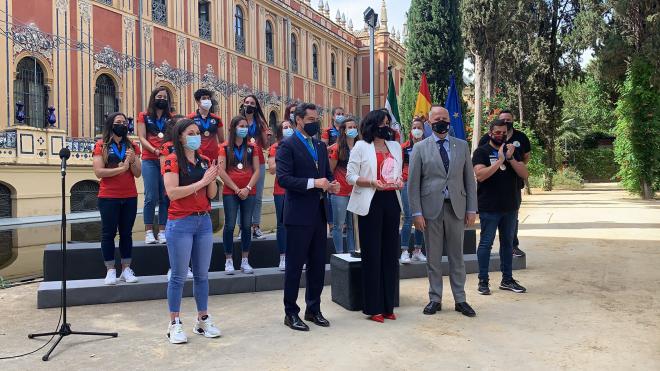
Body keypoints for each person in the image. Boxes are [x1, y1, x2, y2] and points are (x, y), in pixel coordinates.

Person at [408, 105, 478, 317]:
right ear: (429, 122)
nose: (442, 122)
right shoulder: (420, 148)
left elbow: (469, 180)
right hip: (431, 211)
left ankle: (461, 299)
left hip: (456, 208)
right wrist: (416, 213)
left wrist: (472, 209)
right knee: (434, 258)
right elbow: (413, 184)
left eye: (445, 118)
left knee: (457, 257)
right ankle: (435, 298)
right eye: (437, 118)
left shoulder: (461, 146)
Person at [276, 103, 340, 331]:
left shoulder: (320, 146)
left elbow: (327, 174)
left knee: (317, 265)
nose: (315, 123)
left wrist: (332, 185)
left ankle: (313, 309)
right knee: (294, 266)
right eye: (311, 119)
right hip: (298, 214)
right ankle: (290, 312)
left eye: (317, 118)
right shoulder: (287, 145)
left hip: (319, 213)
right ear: (299, 120)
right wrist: (314, 183)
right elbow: (283, 179)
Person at [162, 119, 222, 344]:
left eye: (198, 133)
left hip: (203, 222)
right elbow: (173, 192)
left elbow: (211, 194)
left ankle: (202, 319)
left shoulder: (205, 161)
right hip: (180, 223)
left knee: (202, 274)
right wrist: (202, 181)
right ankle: (174, 323)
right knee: (178, 276)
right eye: (191, 133)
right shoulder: (172, 160)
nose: (196, 136)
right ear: (180, 137)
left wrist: (213, 178)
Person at [346, 109, 403, 323]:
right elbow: (351, 176)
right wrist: (371, 182)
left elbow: (398, 172)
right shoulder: (361, 146)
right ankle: (374, 307)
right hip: (371, 201)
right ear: (372, 125)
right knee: (373, 254)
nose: (385, 126)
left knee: (390, 254)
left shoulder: (395, 147)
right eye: (381, 123)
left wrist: (399, 182)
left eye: (388, 122)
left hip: (391, 200)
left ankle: (388, 305)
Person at [473, 119, 529, 295]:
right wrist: (498, 161)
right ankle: (483, 281)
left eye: (504, 132)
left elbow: (524, 174)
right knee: (486, 244)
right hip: (489, 207)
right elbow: (480, 175)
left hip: (510, 206)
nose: (501, 135)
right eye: (497, 132)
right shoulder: (481, 151)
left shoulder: (512, 151)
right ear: (490, 133)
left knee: (507, 244)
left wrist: (510, 158)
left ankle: (507, 279)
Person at [92, 112, 142, 285]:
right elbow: (99, 172)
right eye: (118, 122)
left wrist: (133, 160)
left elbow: (137, 173)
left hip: (129, 196)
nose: (122, 124)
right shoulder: (102, 145)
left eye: (124, 122)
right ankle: (110, 270)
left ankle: (126, 269)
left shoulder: (132, 146)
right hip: (108, 196)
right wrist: (121, 169)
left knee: (126, 233)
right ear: (111, 125)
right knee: (108, 234)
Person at [478, 109, 531, 257]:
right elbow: (480, 162)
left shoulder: (520, 138)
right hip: (490, 192)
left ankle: (514, 246)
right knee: (487, 236)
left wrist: (513, 162)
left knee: (512, 219)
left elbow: (525, 157)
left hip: (512, 188)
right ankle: (483, 278)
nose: (505, 123)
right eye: (503, 120)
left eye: (508, 120)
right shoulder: (484, 141)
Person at [217, 116, 260, 275]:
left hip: (249, 191)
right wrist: (236, 189)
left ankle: (244, 261)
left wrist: (247, 188)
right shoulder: (224, 147)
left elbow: (256, 170)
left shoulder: (252, 147)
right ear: (233, 127)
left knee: (247, 225)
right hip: (231, 191)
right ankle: (228, 260)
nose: (244, 128)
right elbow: (221, 171)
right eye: (241, 126)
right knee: (229, 226)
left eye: (246, 126)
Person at [159, 115, 194, 281]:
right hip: (173, 195)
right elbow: (164, 171)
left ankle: (186, 266)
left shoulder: (194, 150)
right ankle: (173, 266)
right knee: (173, 235)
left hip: (191, 196)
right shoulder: (167, 148)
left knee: (189, 236)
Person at [137, 87, 172, 244]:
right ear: (153, 98)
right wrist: (154, 150)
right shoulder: (144, 116)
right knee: (151, 196)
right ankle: (149, 232)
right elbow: (142, 137)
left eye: (165, 97)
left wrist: (165, 152)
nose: (162, 99)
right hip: (149, 159)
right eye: (159, 96)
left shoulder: (170, 118)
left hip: (166, 160)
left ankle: (163, 231)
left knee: (165, 196)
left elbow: (172, 137)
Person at [268, 104, 297, 270]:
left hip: (297, 190)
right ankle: (283, 257)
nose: (287, 129)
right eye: (284, 127)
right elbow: (272, 169)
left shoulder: (298, 144)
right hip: (280, 191)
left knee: (298, 223)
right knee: (282, 224)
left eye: (289, 127)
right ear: (280, 132)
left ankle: (297, 255)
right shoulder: (275, 147)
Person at [240, 95, 270, 240]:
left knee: (257, 197)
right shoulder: (238, 122)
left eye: (252, 103)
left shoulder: (260, 123)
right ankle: (242, 228)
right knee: (242, 196)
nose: (249, 105)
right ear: (243, 104)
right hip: (242, 162)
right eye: (247, 103)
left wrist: (266, 134)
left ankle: (256, 226)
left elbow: (265, 145)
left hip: (260, 162)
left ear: (256, 106)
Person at [327, 116, 358, 254]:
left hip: (356, 192)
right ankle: (339, 254)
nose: (353, 129)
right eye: (350, 127)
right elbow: (330, 170)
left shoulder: (360, 146)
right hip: (340, 193)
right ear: (344, 131)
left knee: (352, 226)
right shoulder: (337, 148)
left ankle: (352, 251)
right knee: (338, 226)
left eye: (354, 127)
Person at [399, 118, 427, 264]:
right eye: (414, 127)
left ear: (423, 130)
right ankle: (404, 251)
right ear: (411, 130)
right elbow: (399, 166)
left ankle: (417, 250)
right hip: (408, 184)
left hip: (424, 185)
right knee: (409, 217)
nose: (416, 129)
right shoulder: (404, 147)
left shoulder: (429, 146)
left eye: (419, 127)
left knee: (421, 217)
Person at [187, 88, 224, 161]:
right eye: (204, 98)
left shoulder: (217, 119)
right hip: (197, 156)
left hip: (214, 156)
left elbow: (221, 140)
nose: (207, 100)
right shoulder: (190, 118)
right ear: (198, 101)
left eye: (208, 98)